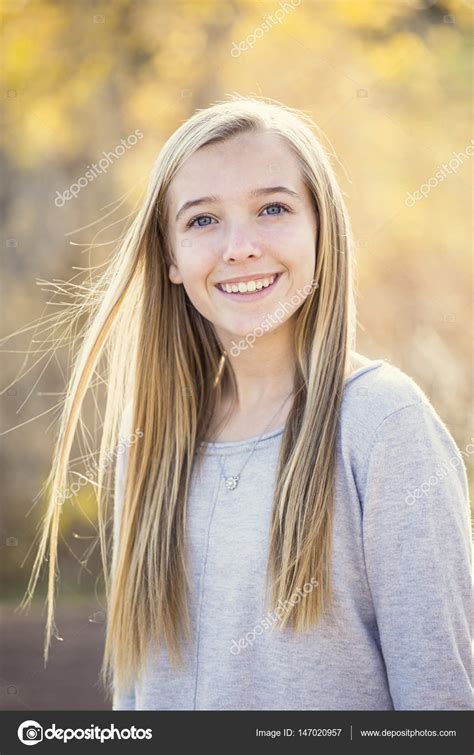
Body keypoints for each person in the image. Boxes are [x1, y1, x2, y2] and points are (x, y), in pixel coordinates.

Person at [24, 95, 472, 710]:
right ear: (171, 258)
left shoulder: (384, 426)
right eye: (203, 220)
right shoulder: (152, 442)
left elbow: (441, 709)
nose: (240, 247)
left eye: (273, 208)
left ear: (323, 231)